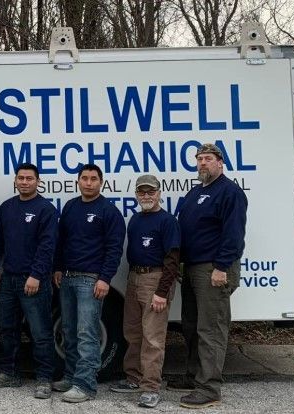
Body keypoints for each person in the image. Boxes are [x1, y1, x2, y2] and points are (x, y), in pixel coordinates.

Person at [171, 143, 247, 409]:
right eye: (199, 159)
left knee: (210, 329)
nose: (203, 163)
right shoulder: (196, 192)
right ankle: (194, 377)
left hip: (213, 269)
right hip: (192, 267)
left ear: (220, 163)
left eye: (208, 159)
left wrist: (222, 267)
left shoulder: (230, 192)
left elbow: (233, 233)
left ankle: (209, 388)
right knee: (191, 325)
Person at [52, 163, 126, 403]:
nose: (89, 182)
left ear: (100, 182)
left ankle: (85, 385)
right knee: (69, 331)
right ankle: (71, 376)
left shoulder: (108, 211)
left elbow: (114, 249)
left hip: (91, 280)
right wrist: (58, 267)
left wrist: (105, 278)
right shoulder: (71, 207)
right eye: (84, 178)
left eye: (93, 179)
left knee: (87, 333)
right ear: (78, 181)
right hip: (68, 278)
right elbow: (61, 242)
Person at [0, 163, 58, 399]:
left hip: (35, 281)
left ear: (38, 181)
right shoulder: (6, 207)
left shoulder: (46, 209)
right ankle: (9, 373)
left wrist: (36, 275)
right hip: (8, 280)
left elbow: (48, 246)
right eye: (21, 178)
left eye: (29, 178)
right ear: (15, 181)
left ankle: (45, 378)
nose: (24, 182)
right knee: (8, 329)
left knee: (40, 332)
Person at [109, 174, 180, 408]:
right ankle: (133, 378)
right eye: (142, 192)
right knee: (133, 332)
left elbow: (172, 259)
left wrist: (162, 291)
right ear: (137, 195)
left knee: (153, 337)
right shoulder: (136, 220)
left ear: (160, 193)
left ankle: (151, 388)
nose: (146, 196)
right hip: (134, 278)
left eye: (151, 192)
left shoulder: (167, 221)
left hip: (155, 279)